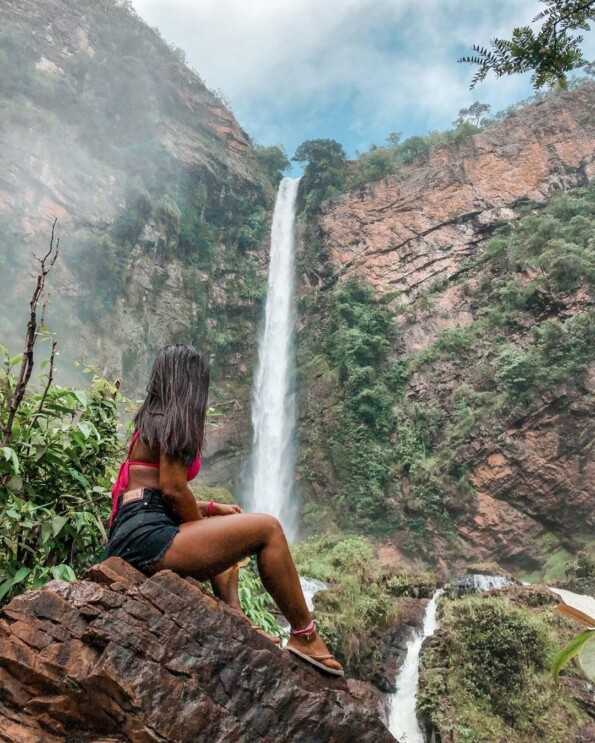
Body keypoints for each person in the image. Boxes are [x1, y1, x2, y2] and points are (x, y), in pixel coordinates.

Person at [106, 344, 343, 677]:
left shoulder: (151, 421)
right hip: (148, 536)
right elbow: (174, 491)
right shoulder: (174, 420)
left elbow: (155, 492)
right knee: (268, 529)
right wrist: (202, 522)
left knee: (230, 538)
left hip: (134, 529)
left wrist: (212, 510)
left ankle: (236, 618)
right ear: (191, 383)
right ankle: (305, 635)